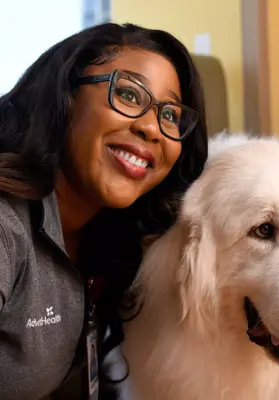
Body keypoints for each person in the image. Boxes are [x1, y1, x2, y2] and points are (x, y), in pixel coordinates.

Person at [0, 22, 208, 399]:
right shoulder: (5, 225)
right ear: (65, 98)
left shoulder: (116, 235)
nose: (152, 129)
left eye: (171, 115)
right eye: (129, 94)